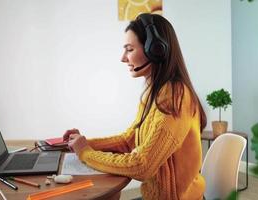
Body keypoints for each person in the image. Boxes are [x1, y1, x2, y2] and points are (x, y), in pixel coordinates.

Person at [63, 13, 207, 200]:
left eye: (129, 49)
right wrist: (83, 143)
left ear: (156, 50)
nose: (123, 58)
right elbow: (128, 140)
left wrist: (86, 153)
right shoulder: (154, 93)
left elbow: (143, 166)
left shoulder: (174, 97)